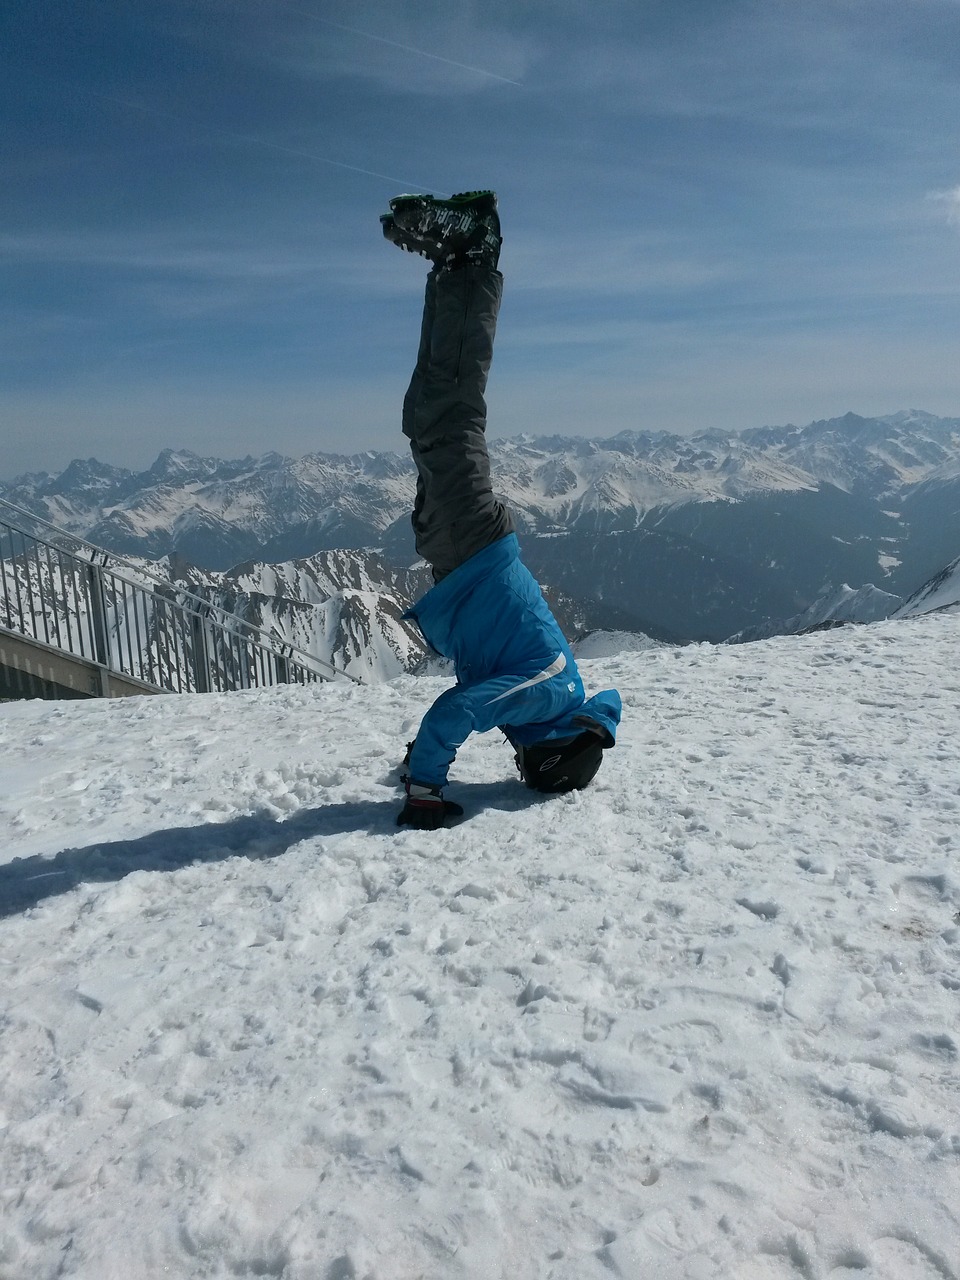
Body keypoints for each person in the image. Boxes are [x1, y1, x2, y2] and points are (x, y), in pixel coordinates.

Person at [381, 190, 622, 830]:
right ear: (545, 756)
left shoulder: (556, 700)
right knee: (446, 417)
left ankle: (453, 268)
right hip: (473, 549)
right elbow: (455, 711)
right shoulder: (542, 693)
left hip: (467, 554)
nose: (515, 762)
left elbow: (605, 704)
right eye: (526, 766)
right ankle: (475, 250)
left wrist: (417, 760)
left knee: (429, 417)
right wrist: (426, 789)